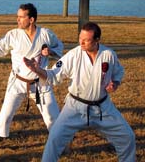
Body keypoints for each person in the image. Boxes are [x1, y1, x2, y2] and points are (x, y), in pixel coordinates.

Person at [23, 22, 136, 162]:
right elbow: (54, 75)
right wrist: (37, 70)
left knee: (127, 137)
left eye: (86, 40)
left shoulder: (108, 55)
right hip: (75, 107)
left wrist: (115, 83)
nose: (81, 42)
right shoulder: (74, 55)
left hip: (103, 107)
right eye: (80, 38)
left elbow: (118, 72)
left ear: (97, 40)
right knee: (54, 139)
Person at [0, 3, 63, 154]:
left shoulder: (46, 34)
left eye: (21, 17)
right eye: (17, 17)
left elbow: (59, 48)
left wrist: (50, 51)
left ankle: (61, 146)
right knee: (6, 113)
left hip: (40, 83)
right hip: (18, 82)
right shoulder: (13, 35)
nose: (17, 20)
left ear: (31, 19)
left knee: (53, 117)